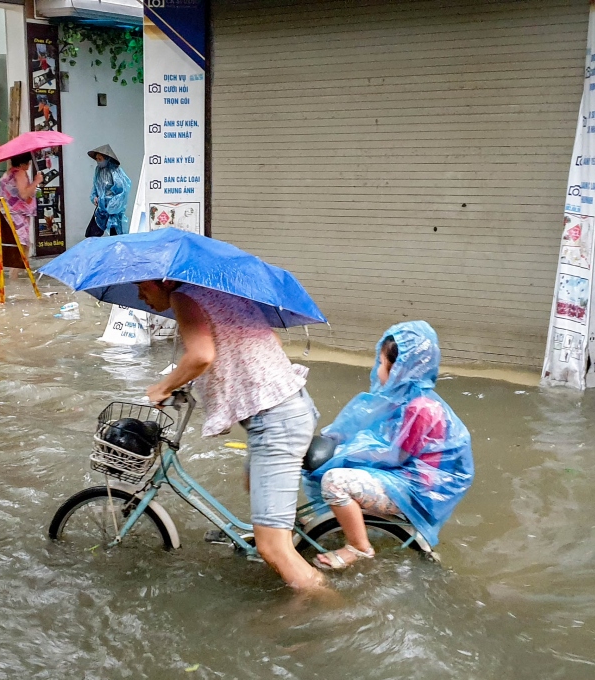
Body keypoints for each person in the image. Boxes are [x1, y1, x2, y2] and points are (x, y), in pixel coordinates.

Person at [136, 280, 324, 590]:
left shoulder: (184, 296)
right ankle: (279, 531)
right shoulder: (222, 293)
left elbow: (201, 356)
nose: (138, 294)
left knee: (272, 548)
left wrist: (163, 387)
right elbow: (265, 342)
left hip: (276, 422)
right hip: (291, 406)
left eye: (141, 285)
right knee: (253, 482)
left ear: (164, 281)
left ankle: (330, 608)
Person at [303, 322, 474, 570]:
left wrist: (345, 452)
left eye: (381, 363)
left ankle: (358, 547)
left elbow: (395, 455)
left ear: (399, 370)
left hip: (412, 489)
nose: (378, 369)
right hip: (402, 475)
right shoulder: (406, 399)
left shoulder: (420, 408)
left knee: (334, 480)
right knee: (321, 468)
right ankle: (332, 521)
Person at [86, 145, 132, 238]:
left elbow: (122, 190)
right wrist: (94, 197)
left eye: (100, 158)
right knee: (92, 234)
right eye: (97, 159)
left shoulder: (115, 171)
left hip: (113, 208)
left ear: (107, 158)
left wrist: (112, 205)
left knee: (116, 235)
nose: (98, 161)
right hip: (101, 207)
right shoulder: (98, 170)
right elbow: (96, 186)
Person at [0, 152, 42, 248]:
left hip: (8, 213)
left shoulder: (8, 173)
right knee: (21, 245)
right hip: (18, 216)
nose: (29, 164)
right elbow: (24, 194)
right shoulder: (20, 173)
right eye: (28, 162)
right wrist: (36, 181)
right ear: (22, 163)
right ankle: (23, 263)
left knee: (11, 245)